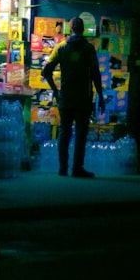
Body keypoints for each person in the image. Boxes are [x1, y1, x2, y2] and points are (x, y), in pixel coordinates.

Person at [42, 16, 105, 178]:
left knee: (64, 132)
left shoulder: (61, 47)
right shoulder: (88, 49)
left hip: (66, 98)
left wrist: (56, 91)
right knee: (81, 132)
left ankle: (62, 168)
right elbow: (95, 74)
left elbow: (46, 71)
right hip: (83, 98)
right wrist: (101, 96)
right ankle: (77, 168)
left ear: (70, 29)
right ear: (83, 29)